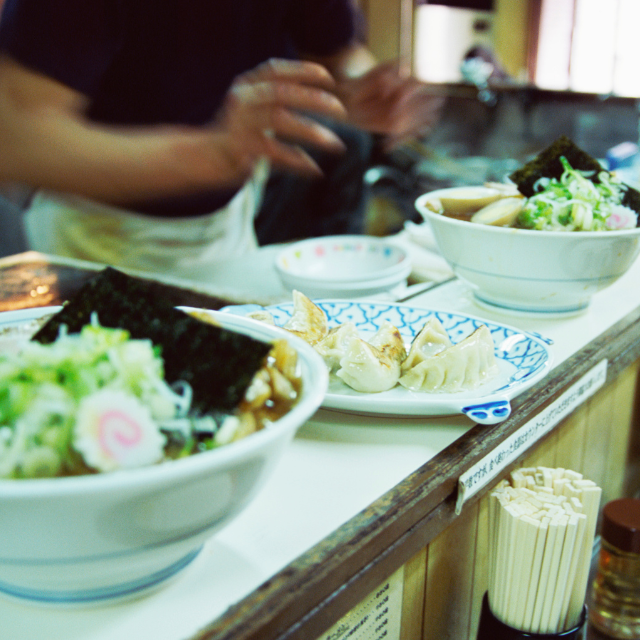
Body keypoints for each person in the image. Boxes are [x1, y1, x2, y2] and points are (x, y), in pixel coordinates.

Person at [0, 1, 442, 277]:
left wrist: (359, 86)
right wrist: (203, 155)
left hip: (226, 232)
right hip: (92, 240)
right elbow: (16, 139)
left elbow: (339, 52)